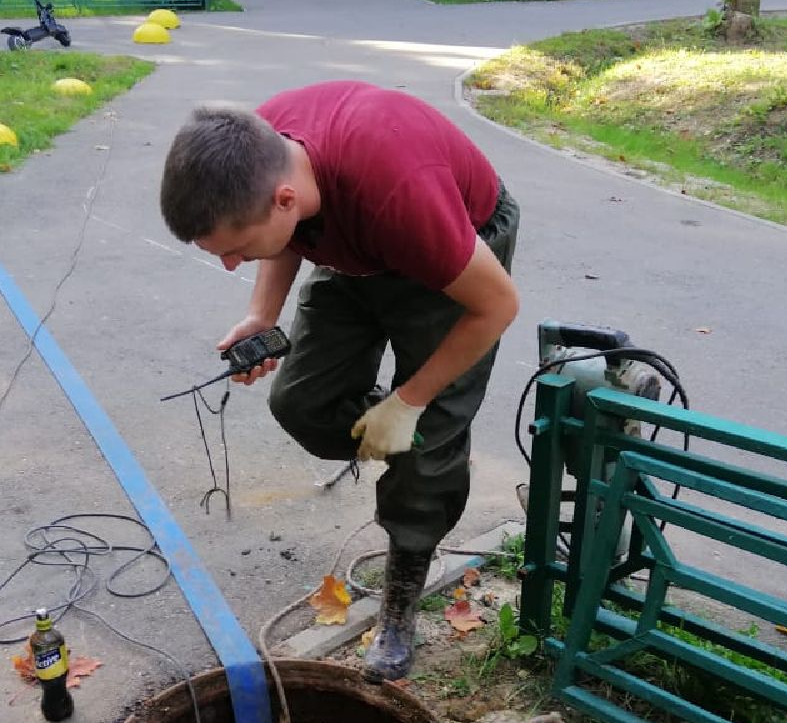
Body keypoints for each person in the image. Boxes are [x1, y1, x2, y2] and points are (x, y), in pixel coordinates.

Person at [159, 80, 521, 682]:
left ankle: (401, 602)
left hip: (456, 246)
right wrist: (261, 315)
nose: (228, 263)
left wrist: (410, 402)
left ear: (283, 199)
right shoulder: (259, 149)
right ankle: (409, 443)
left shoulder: (399, 194)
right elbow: (282, 233)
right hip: (352, 243)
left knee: (423, 435)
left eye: (236, 248)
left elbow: (497, 307)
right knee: (301, 402)